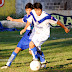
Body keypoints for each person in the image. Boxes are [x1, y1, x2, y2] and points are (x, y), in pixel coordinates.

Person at [20, 2, 70, 68]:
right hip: (36, 33)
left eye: (39, 10)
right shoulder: (32, 13)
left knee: (31, 44)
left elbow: (57, 21)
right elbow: (29, 20)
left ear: (42, 9)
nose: (37, 12)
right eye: (36, 10)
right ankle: (43, 61)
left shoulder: (46, 16)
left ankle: (35, 60)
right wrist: (24, 28)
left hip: (44, 34)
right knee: (31, 51)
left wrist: (65, 27)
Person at [1, 3, 34, 69]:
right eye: (27, 10)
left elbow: (30, 23)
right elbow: (22, 20)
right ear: (25, 10)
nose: (28, 12)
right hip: (26, 35)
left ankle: (42, 61)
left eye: (30, 10)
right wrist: (12, 20)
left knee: (31, 52)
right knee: (17, 48)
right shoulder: (26, 16)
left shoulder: (34, 16)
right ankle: (7, 65)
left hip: (32, 35)